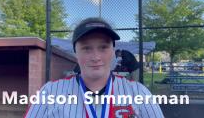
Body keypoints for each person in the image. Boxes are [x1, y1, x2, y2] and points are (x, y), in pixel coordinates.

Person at [25, 17, 164, 118]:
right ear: (75, 53)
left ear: (113, 51)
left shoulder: (139, 93)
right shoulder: (50, 92)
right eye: (86, 48)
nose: (96, 57)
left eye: (103, 47)